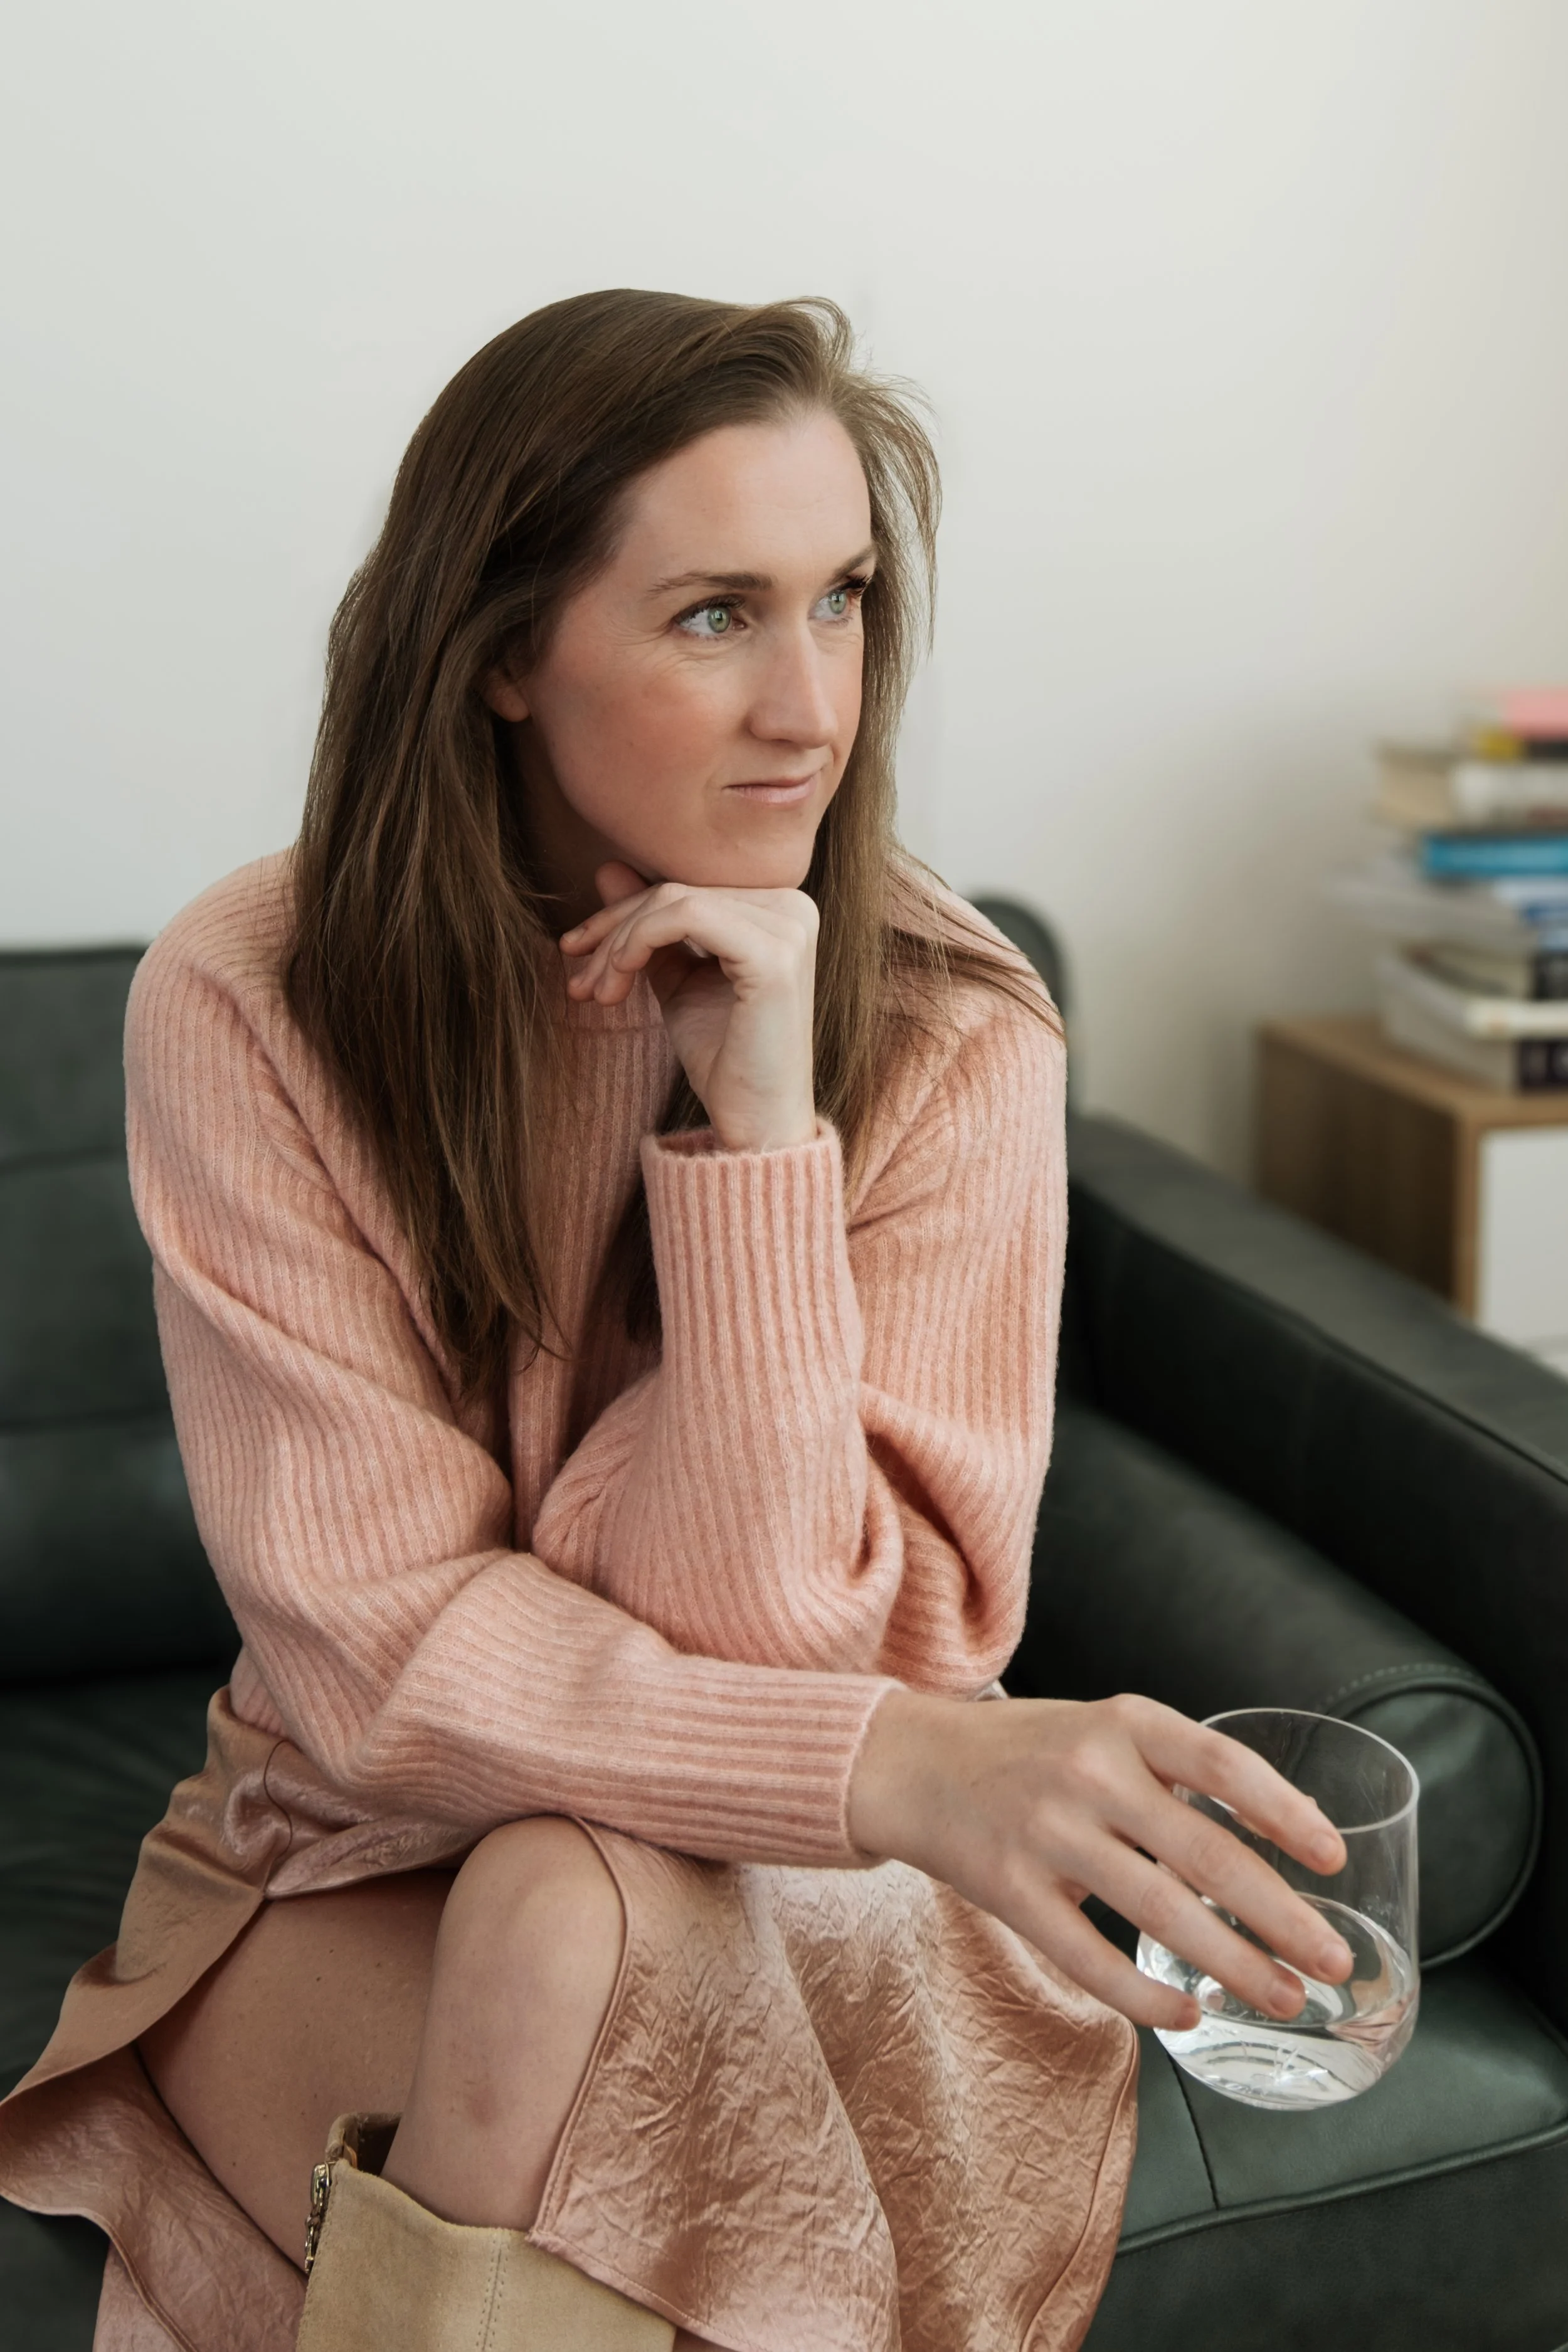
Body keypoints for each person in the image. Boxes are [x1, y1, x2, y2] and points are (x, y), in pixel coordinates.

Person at [0, 291, 1351, 2352]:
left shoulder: (951, 1029)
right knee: (543, 1900)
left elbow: (811, 1632)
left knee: (562, 1905)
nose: (809, 706)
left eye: (844, 602)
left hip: (815, 1886)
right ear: (502, 662)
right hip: (365, 1850)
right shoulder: (248, 996)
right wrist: (890, 1759)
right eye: (717, 613)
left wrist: (758, 1132)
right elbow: (377, 1656)